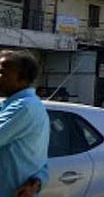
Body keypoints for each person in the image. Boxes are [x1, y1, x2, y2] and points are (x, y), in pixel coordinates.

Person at [0, 49, 50, 196]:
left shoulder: (24, 107)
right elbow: (38, 159)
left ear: (22, 79)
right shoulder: (25, 105)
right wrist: (37, 181)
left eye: (2, 72)